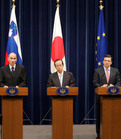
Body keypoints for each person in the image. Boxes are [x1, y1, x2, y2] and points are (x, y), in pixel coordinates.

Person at [93, 54, 121, 139]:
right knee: (99, 116)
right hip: (101, 98)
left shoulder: (115, 71)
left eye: (108, 61)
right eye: (105, 60)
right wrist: (102, 86)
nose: (107, 62)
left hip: (114, 99)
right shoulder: (98, 71)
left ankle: (114, 133)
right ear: (103, 62)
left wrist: (114, 86)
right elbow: (95, 82)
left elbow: (119, 82)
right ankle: (99, 133)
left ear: (111, 62)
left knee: (113, 116)